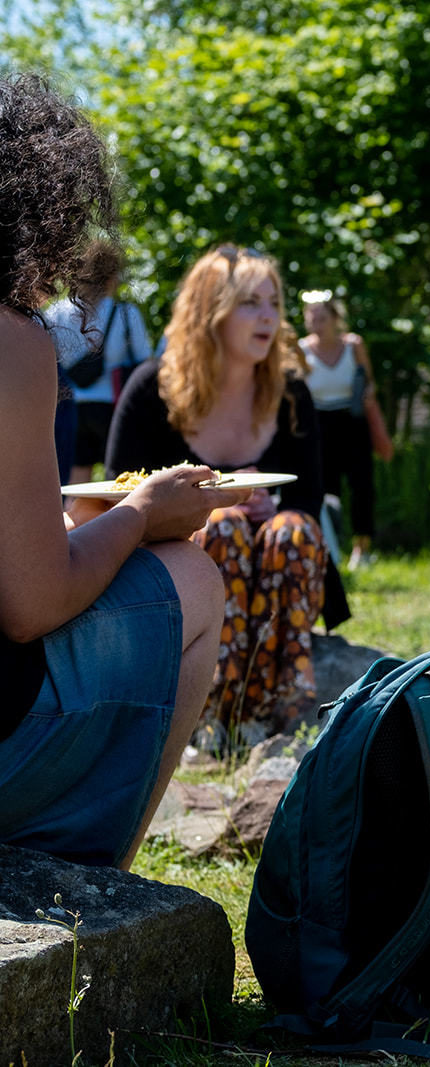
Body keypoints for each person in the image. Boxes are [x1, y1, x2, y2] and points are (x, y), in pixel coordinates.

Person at [0, 72, 249, 869]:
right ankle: (108, 886)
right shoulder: (13, 342)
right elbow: (30, 604)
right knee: (194, 579)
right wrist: (141, 512)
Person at [106, 244, 338, 747]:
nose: (269, 317)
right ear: (210, 311)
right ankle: (213, 709)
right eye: (250, 303)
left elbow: (311, 500)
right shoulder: (153, 390)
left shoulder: (291, 392)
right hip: (181, 558)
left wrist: (272, 504)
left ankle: (288, 704)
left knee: (292, 528)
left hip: (281, 555)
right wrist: (205, 506)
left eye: (274, 302)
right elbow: (115, 496)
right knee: (224, 526)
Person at [298, 290, 393, 570]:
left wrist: (367, 396)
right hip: (317, 425)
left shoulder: (353, 345)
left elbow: (370, 382)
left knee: (361, 485)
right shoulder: (301, 350)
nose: (317, 322)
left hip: (352, 422)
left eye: (323, 317)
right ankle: (329, 545)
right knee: (325, 489)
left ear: (335, 318)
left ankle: (361, 549)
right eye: (311, 316)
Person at [46, 238, 153, 483]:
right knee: (118, 480)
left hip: (68, 406)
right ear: (112, 274)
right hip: (113, 407)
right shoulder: (126, 313)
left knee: (75, 484)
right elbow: (145, 362)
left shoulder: (57, 312)